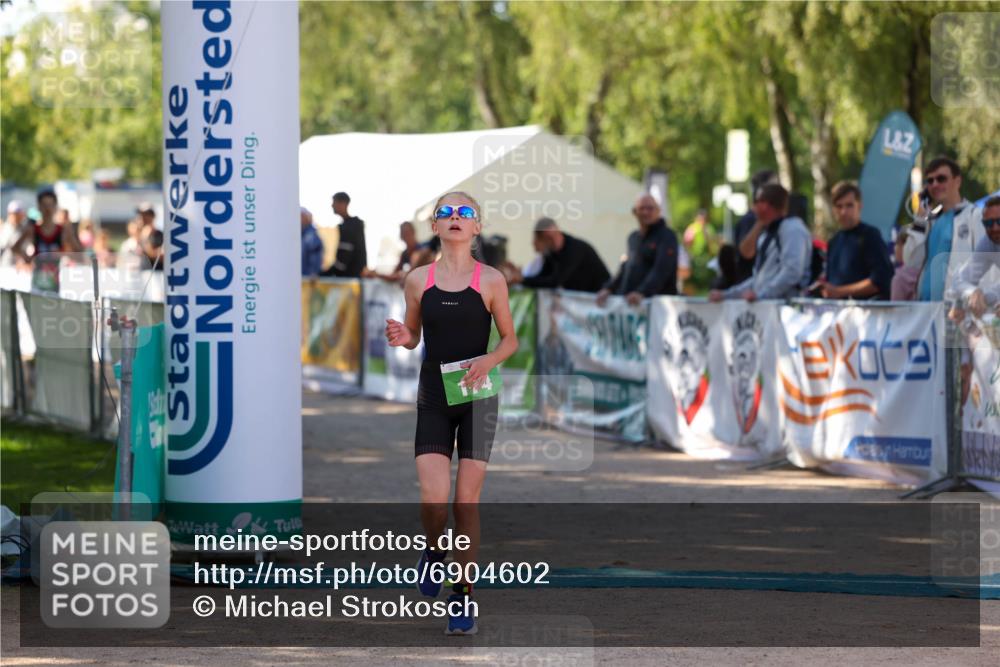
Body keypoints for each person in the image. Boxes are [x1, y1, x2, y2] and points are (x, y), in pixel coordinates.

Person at [384, 191, 517, 636]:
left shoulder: (493, 280)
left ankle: (462, 595)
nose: (456, 218)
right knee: (434, 500)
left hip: (479, 396)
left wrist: (489, 361)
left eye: (465, 213)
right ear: (436, 227)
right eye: (447, 213)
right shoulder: (418, 280)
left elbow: (510, 341)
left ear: (477, 227)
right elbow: (414, 335)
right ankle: (434, 550)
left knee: (465, 502)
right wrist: (404, 335)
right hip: (435, 396)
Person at [709, 184, 811, 302]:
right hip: (766, 308)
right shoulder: (768, 233)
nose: (753, 207)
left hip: (784, 309)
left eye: (756, 201)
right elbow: (759, 279)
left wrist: (761, 295)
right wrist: (726, 295)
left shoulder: (792, 229)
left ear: (765, 205)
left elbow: (792, 272)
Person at [912, 157, 982, 302]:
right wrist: (919, 220)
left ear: (957, 181)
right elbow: (911, 261)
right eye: (930, 181)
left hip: (957, 311)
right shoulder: (930, 221)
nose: (935, 184)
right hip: (925, 311)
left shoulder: (974, 215)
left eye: (941, 179)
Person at [595, 194, 679, 306]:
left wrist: (642, 292)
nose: (645, 212)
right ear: (635, 212)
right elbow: (625, 267)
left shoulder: (667, 236)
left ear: (658, 211)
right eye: (641, 208)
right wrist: (608, 288)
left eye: (650, 208)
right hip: (630, 306)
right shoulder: (633, 237)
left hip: (656, 308)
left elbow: (662, 269)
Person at [820, 181, 894, 300]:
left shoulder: (870, 235)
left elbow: (880, 281)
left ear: (859, 206)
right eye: (839, 206)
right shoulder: (833, 242)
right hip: (837, 314)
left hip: (867, 314)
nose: (843, 212)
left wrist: (839, 292)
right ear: (833, 209)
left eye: (849, 205)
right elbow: (831, 284)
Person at [504, 217, 610, 292]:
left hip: (599, 298)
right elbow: (543, 276)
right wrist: (521, 279)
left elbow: (555, 281)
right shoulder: (551, 252)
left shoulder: (575, 249)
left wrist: (522, 279)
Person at [12, 189, 82, 292]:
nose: (47, 209)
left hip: (55, 282)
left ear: (55, 207)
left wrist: (70, 242)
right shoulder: (33, 229)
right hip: (37, 281)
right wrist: (28, 259)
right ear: (39, 207)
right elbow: (15, 248)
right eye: (44, 205)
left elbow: (79, 252)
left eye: (50, 205)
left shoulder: (62, 230)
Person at [949, 196, 1000, 320]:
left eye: (999, 221)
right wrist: (973, 293)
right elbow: (959, 280)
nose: (995, 228)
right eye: (988, 223)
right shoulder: (988, 242)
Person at [732, 169, 781, 283]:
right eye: (774, 188)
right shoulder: (750, 220)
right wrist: (760, 223)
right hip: (750, 289)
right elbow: (747, 254)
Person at [322, 191, 367, 277]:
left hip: (351, 278)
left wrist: (325, 274)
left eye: (334, 202)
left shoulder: (352, 226)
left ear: (343, 204)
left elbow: (344, 258)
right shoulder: (348, 225)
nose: (332, 206)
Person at [0, 200, 27, 268]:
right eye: (13, 214)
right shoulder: (6, 229)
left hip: (21, 267)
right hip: (6, 266)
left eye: (17, 214)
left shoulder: (24, 228)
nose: (15, 216)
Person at [300, 206, 324, 277]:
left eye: (301, 216)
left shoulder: (311, 236)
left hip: (307, 278)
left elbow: (315, 256)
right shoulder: (302, 234)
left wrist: (313, 272)